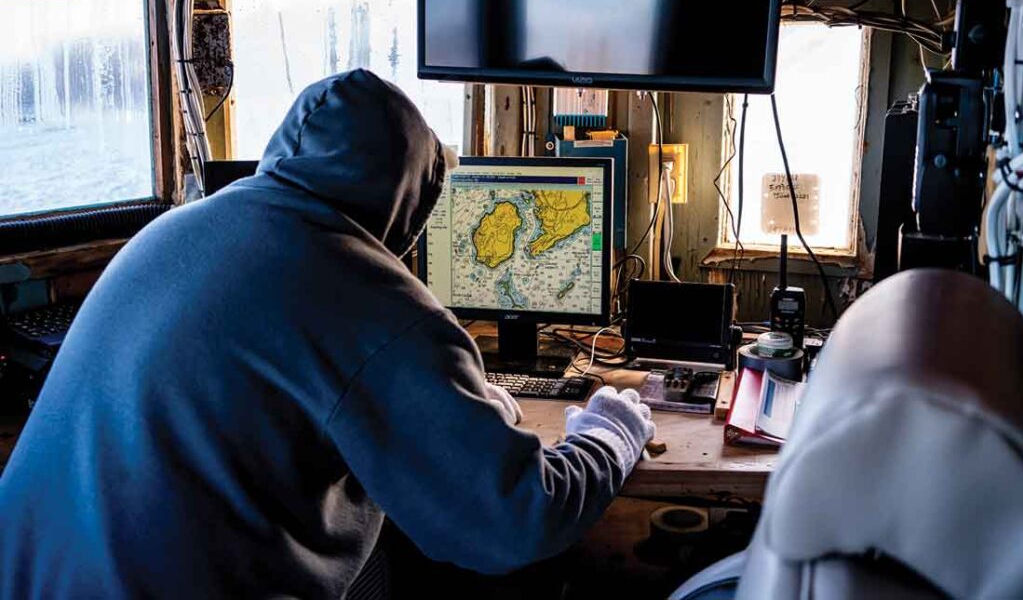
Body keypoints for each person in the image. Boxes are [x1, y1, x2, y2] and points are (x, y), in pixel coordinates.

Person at [0, 69, 655, 599]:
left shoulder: (173, 231)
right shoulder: (368, 297)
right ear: (408, 209)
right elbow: (512, 518)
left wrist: (460, 412)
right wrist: (610, 436)